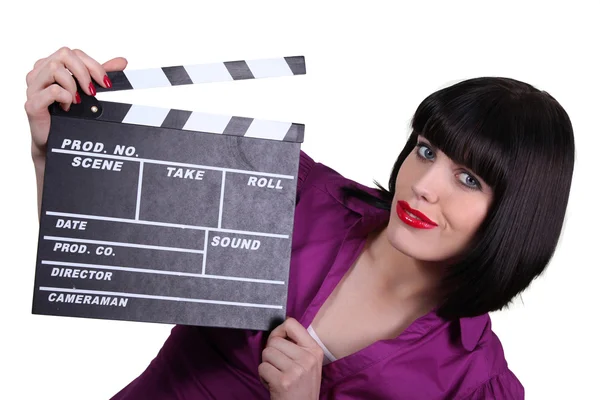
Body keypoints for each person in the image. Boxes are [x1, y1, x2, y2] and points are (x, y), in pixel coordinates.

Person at [25, 47, 575, 400]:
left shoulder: (474, 383)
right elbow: (99, 246)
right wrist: (60, 145)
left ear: (515, 215)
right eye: (427, 151)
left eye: (469, 179)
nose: (426, 185)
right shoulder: (291, 195)